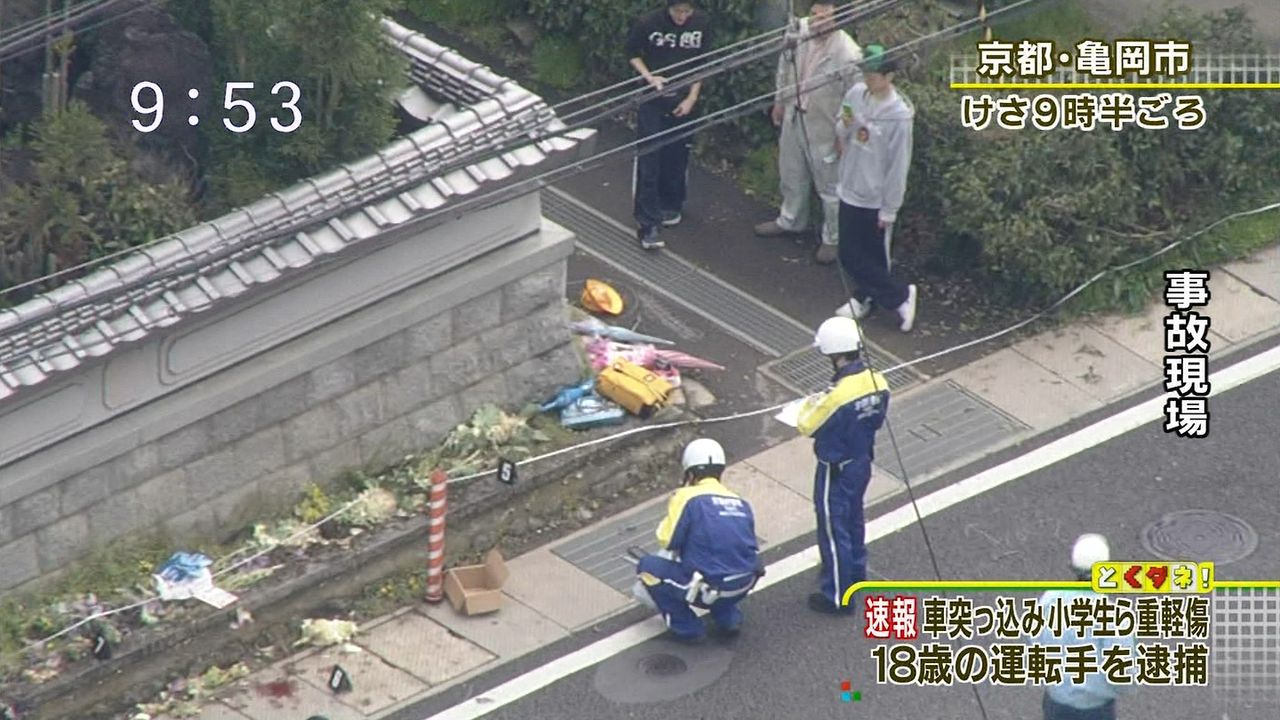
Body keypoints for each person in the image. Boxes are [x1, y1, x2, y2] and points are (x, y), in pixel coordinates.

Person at [754, 0, 863, 265]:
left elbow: (855, 100)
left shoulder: (849, 54)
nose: (816, 21)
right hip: (794, 113)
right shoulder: (798, 31)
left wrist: (844, 133)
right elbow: (786, 66)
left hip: (825, 125)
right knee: (791, 171)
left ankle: (832, 238)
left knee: (830, 186)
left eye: (824, 17)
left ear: (837, 20)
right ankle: (790, 220)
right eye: (814, 14)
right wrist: (780, 100)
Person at [795, 316, 889, 614]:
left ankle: (837, 595)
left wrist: (812, 402)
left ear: (834, 353)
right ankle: (856, 572)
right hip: (862, 460)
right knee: (854, 518)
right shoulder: (879, 381)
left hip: (834, 468)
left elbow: (806, 424)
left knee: (833, 529)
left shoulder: (837, 396)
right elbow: (876, 420)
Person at [633, 438, 764, 641]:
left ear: (690, 473)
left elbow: (667, 540)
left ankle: (688, 628)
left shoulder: (686, 497)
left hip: (708, 589)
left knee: (648, 566)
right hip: (744, 583)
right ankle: (729, 618)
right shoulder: (740, 502)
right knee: (725, 560)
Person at [832, 43, 918, 332]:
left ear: (889, 76)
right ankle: (868, 296)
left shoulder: (899, 117)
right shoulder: (856, 94)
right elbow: (842, 124)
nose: (868, 79)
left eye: (874, 74)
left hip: (875, 197)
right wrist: (847, 125)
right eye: (865, 73)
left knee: (872, 256)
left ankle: (898, 296)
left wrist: (890, 208)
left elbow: (898, 165)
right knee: (848, 252)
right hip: (850, 185)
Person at [626, 0, 713, 250]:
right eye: (678, 11)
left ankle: (671, 204)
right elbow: (632, 52)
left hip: (685, 100)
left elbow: (701, 64)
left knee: (677, 154)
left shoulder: (702, 23)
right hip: (653, 99)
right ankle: (648, 223)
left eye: (687, 11)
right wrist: (649, 77)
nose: (682, 17)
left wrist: (692, 98)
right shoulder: (649, 22)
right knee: (649, 156)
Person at [1036, 534, 1136, 720]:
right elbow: (1121, 673)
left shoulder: (1050, 599)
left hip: (1056, 702)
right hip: (1094, 710)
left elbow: (1035, 641)